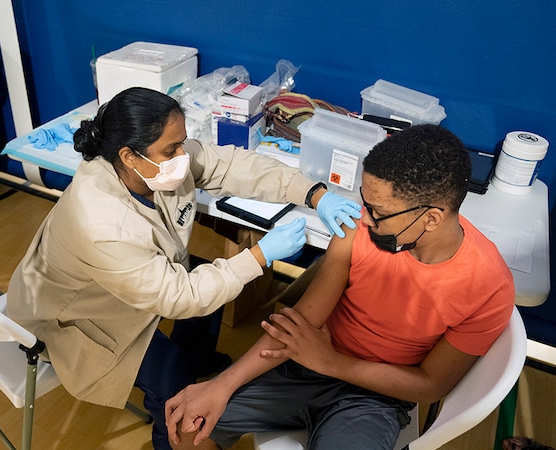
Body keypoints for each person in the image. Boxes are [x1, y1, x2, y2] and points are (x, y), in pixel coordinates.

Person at [6, 87, 362, 450]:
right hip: (73, 316)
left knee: (213, 280)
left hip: (124, 286)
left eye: (183, 143)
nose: (182, 155)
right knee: (172, 374)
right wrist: (260, 256)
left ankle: (199, 361)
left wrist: (313, 193)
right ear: (129, 155)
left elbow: (232, 166)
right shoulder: (100, 222)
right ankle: (174, 436)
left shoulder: (151, 164)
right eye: (171, 149)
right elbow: (180, 297)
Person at [165, 124, 516, 450]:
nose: (364, 218)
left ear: (431, 217)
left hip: (377, 394)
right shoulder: (361, 231)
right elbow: (302, 321)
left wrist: (331, 362)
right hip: (306, 362)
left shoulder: (488, 286)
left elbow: (431, 385)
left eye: (378, 211)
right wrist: (220, 385)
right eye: (366, 200)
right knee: (189, 426)